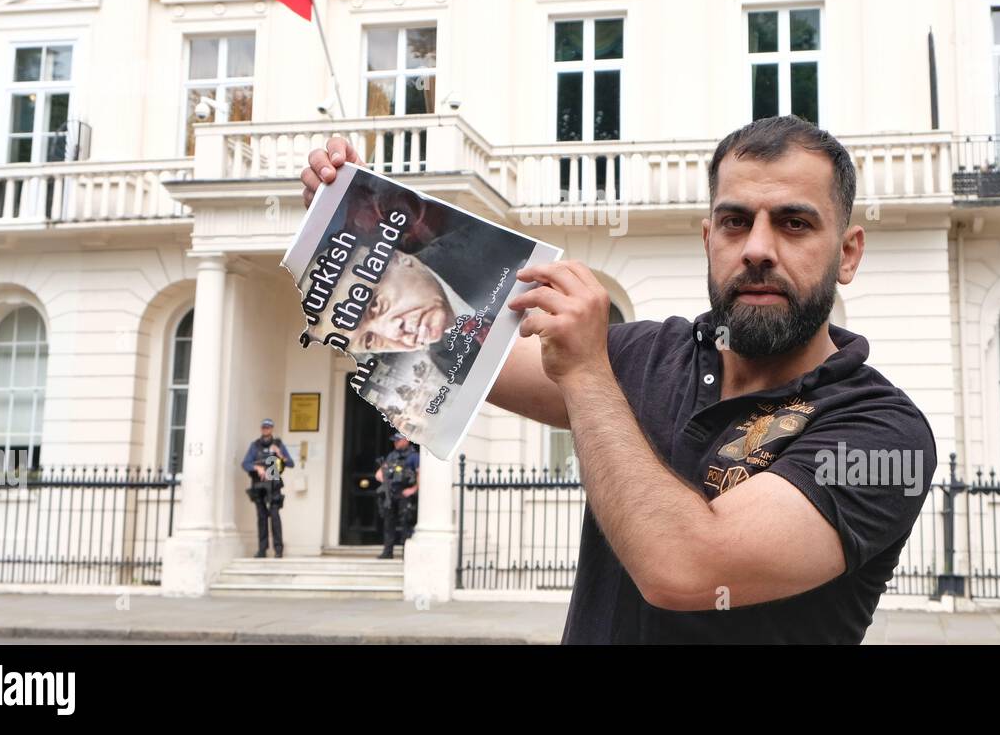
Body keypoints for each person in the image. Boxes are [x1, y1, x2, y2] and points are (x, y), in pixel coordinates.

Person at [301, 114, 938, 643]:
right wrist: (353, 240)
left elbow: (685, 570)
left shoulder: (882, 434)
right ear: (709, 237)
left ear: (848, 252)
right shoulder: (646, 353)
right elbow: (459, 353)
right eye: (736, 222)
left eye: (794, 223)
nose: (758, 249)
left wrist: (585, 370)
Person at [241, 418, 294, 558]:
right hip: (259, 486)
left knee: (275, 516)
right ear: (261, 429)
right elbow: (245, 463)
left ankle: (278, 549)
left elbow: (290, 463)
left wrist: (279, 454)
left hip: (274, 486)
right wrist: (256, 467)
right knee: (261, 517)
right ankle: (262, 549)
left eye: (268, 427)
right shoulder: (255, 446)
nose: (266, 429)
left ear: (272, 429)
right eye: (264, 427)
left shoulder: (278, 445)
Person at [374, 432, 419, 559]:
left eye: (398, 440)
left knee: (406, 523)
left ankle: (407, 554)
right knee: (388, 523)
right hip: (391, 493)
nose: (395, 443)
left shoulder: (414, 457)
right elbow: (379, 474)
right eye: (394, 441)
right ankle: (388, 552)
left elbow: (420, 474)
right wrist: (387, 481)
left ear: (406, 440)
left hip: (405, 493)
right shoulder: (391, 456)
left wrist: (414, 489)